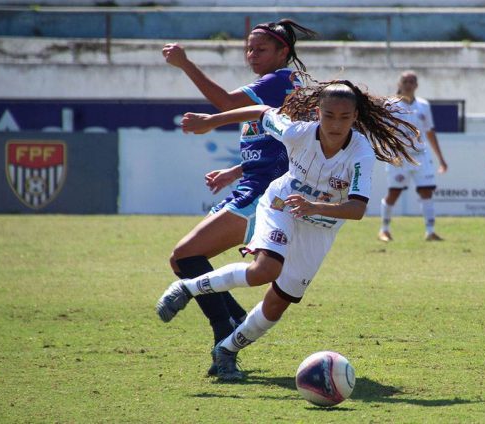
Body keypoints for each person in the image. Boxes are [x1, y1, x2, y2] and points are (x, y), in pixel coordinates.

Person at [156, 77, 421, 380]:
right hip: (281, 204)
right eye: (329, 115)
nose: (336, 124)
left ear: (355, 117)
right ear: (317, 113)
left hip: (320, 226)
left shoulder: (361, 153)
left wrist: (314, 207)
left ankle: (227, 351)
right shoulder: (297, 132)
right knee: (263, 271)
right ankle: (187, 288)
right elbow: (261, 111)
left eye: (345, 117)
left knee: (277, 304)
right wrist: (212, 120)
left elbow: (357, 209)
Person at [160, 19, 317, 376]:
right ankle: (231, 323)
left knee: (185, 257)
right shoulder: (280, 86)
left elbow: (224, 102)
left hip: (262, 199)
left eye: (261, 49)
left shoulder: (278, 82)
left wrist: (186, 64)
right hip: (252, 188)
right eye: (249, 48)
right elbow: (281, 144)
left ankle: (225, 335)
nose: (252, 55)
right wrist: (236, 170)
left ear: (284, 52)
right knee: (182, 261)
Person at [377, 70, 448, 242]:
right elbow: (384, 131)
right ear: (399, 84)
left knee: (427, 192)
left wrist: (441, 159)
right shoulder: (391, 105)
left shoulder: (423, 105)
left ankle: (430, 231)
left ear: (416, 85)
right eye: (405, 81)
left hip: (421, 156)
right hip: (399, 157)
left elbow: (429, 131)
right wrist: (387, 152)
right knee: (394, 193)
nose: (408, 84)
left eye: (412, 81)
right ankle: (384, 230)